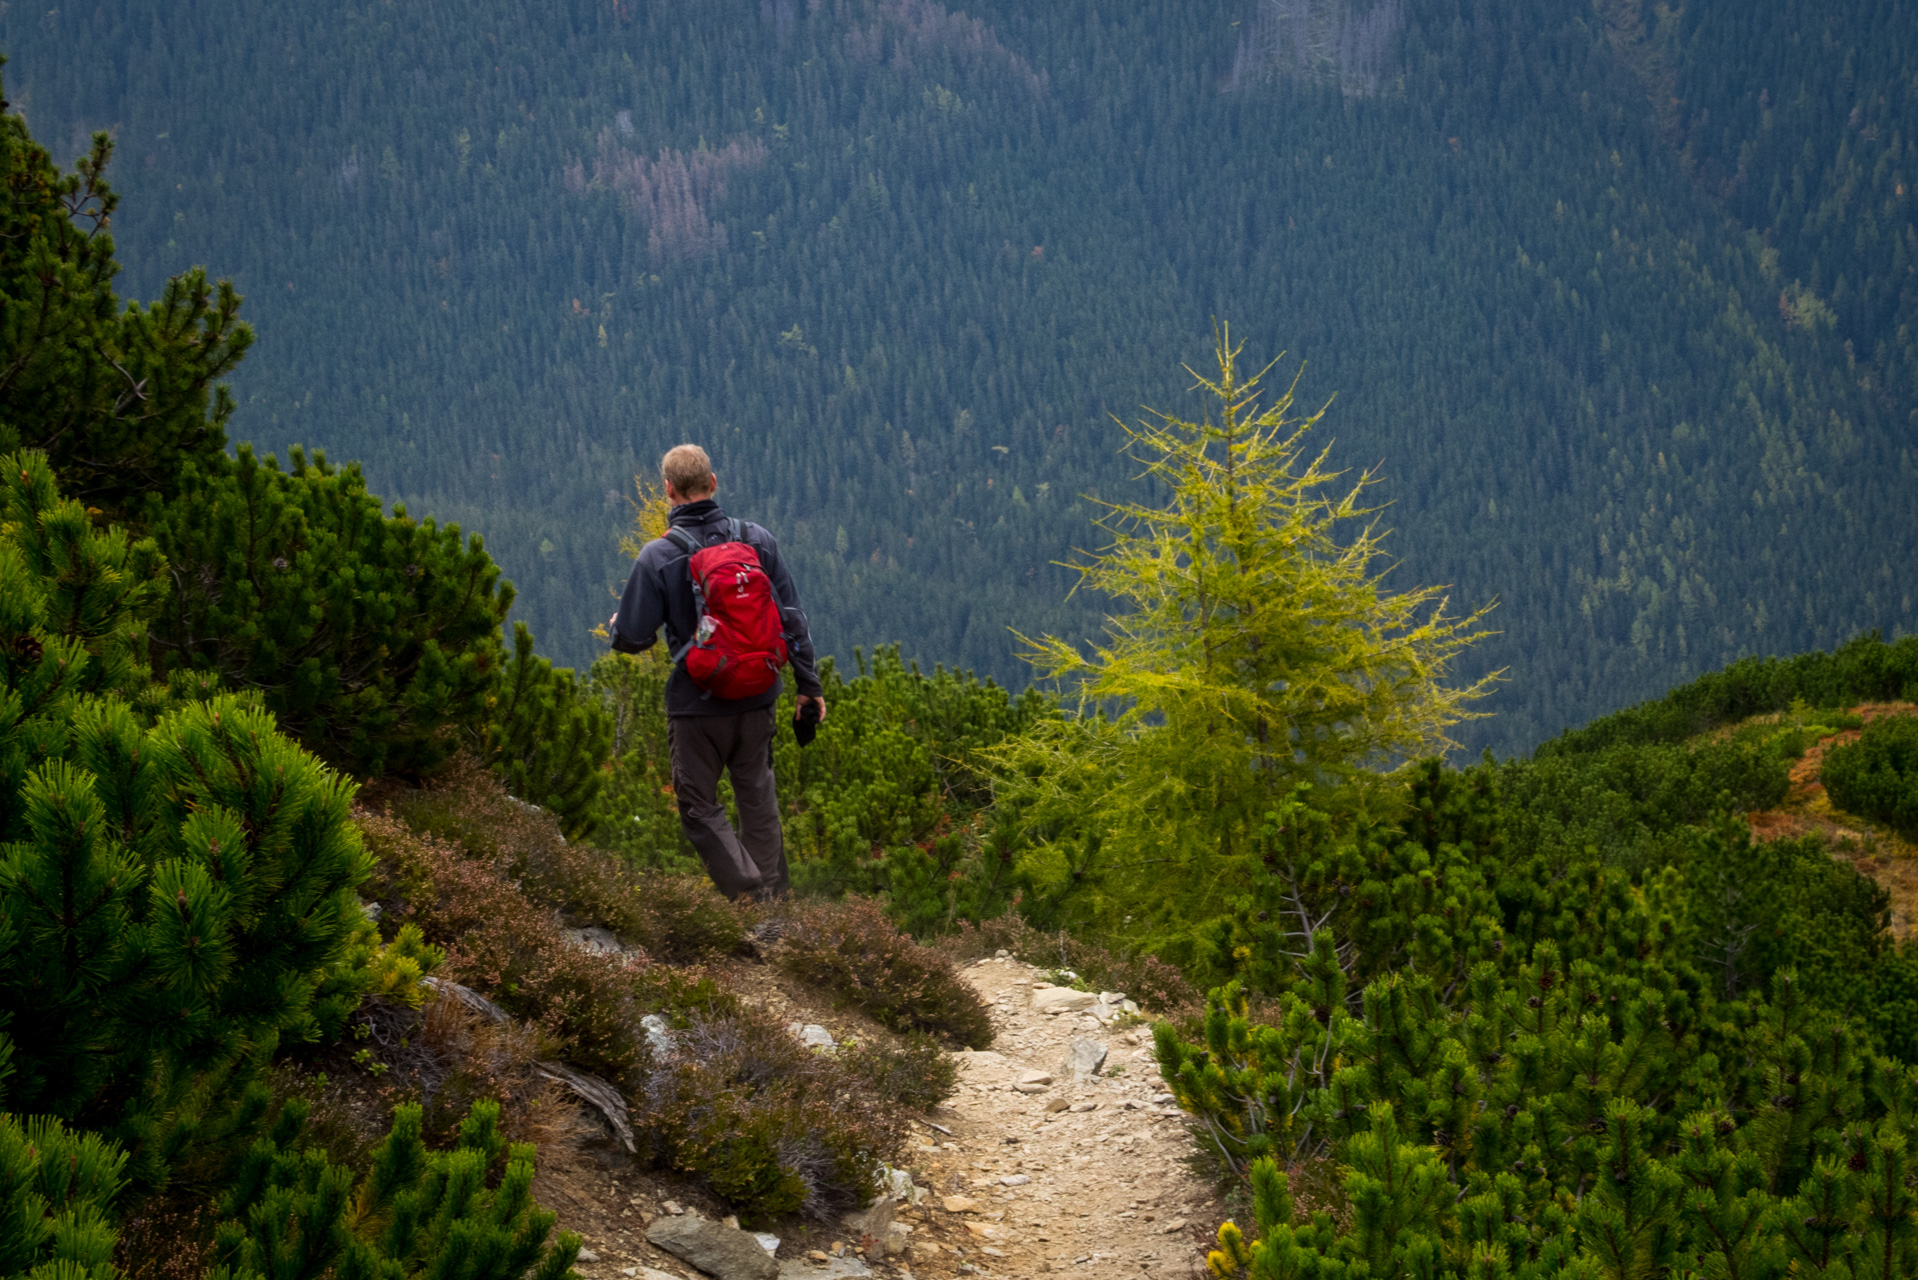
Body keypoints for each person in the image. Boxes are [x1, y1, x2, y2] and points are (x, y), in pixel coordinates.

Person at [608, 444, 826, 900]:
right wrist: (809, 686)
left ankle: (747, 895)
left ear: (668, 491)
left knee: (699, 806)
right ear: (713, 483)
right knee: (758, 798)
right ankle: (773, 908)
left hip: (697, 706)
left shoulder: (658, 556)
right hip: (758, 697)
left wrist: (618, 626)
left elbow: (633, 638)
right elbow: (792, 617)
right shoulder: (757, 540)